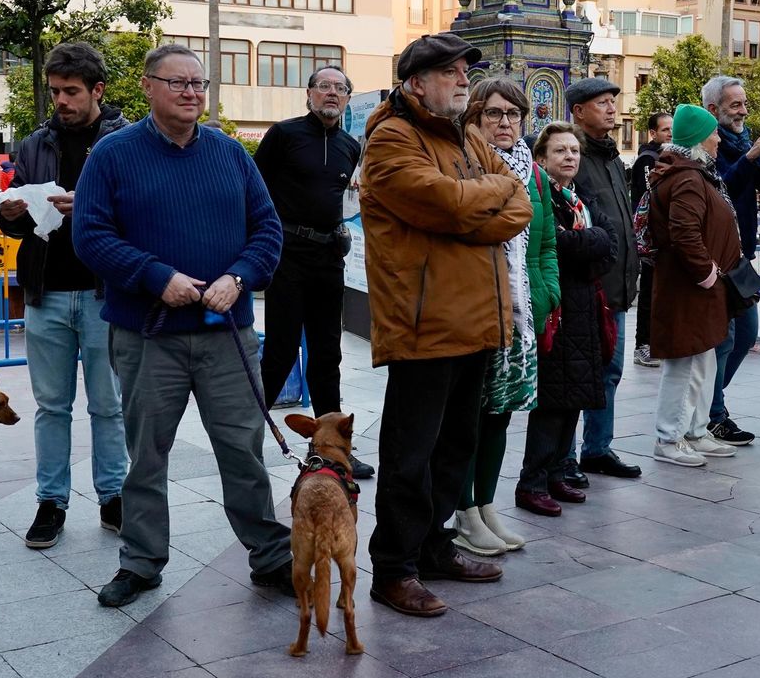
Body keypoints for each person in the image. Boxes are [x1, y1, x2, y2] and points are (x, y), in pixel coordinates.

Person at [72, 44, 292, 608]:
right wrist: (154, 275)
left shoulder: (230, 153)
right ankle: (141, 562)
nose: (193, 92)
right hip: (148, 333)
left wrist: (240, 277)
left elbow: (267, 230)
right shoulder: (112, 154)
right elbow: (90, 236)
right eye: (178, 82)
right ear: (147, 87)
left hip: (227, 332)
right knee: (145, 453)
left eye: (199, 82)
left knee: (243, 449)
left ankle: (271, 555)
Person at [358, 33, 531, 617]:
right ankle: (394, 569)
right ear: (415, 83)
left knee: (456, 446)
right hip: (423, 324)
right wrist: (486, 197)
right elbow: (452, 204)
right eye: (450, 71)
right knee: (412, 453)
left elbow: (518, 207)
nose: (463, 80)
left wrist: (474, 203)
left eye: (465, 70)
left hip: (477, 321)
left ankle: (436, 547)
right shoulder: (390, 140)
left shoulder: (468, 139)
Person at [0, 42, 129, 550]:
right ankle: (51, 502)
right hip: (45, 291)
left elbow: (138, 213)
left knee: (108, 406)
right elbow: (20, 221)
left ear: (97, 90)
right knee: (51, 406)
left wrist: (89, 207)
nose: (62, 101)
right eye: (55, 92)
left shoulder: (125, 140)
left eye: (71, 91)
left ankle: (113, 497)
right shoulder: (33, 145)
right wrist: (12, 215)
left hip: (104, 293)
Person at [253, 65, 372, 480]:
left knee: (328, 354)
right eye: (324, 86)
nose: (332, 94)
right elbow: (254, 191)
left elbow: (339, 198)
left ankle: (333, 448)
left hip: (328, 257)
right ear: (309, 94)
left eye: (340, 88)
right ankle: (247, 440)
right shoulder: (283, 135)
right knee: (281, 352)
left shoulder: (348, 146)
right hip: (287, 255)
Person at [453, 78, 558, 549]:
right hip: (477, 310)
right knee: (468, 416)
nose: (505, 123)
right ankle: (463, 511)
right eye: (494, 113)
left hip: (521, 316)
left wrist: (547, 292)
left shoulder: (533, 173)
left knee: (501, 413)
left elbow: (547, 243)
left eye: (513, 114)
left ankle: (488, 505)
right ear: (475, 116)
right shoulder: (465, 165)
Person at [515, 122, 612, 515]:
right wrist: (589, 243)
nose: (570, 157)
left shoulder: (578, 199)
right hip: (557, 307)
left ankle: (558, 472)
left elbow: (611, 243)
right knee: (552, 401)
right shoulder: (540, 196)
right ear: (541, 158)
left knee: (574, 397)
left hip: (584, 307)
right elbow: (552, 245)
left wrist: (587, 243)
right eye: (560, 151)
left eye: (574, 151)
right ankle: (532, 481)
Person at [647, 105, 743, 467]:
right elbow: (684, 233)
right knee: (683, 364)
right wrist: (706, 273)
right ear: (699, 138)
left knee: (702, 360)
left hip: (702, 288)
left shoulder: (694, 173)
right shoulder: (687, 178)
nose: (719, 138)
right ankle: (669, 438)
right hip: (691, 288)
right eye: (713, 132)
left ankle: (696, 431)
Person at [704, 75, 760, 446]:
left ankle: (705, 403)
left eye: (744, 104)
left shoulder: (745, 141)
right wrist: (750, 157)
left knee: (745, 333)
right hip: (716, 258)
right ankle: (714, 414)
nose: (743, 111)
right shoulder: (705, 144)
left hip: (740, 258)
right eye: (735, 105)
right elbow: (720, 186)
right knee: (723, 339)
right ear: (714, 111)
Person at [564, 77, 642, 481]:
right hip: (587, 286)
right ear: (578, 111)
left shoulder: (612, 157)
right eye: (601, 103)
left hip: (618, 287)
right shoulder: (574, 156)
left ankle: (598, 449)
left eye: (613, 101)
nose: (612, 108)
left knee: (610, 373)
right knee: (578, 374)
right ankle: (566, 457)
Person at [630, 111, 671, 369]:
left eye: (673, 130)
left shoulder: (668, 157)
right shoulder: (648, 159)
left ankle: (658, 341)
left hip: (665, 240)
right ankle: (643, 344)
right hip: (651, 240)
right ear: (653, 133)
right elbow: (650, 198)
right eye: (666, 130)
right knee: (648, 292)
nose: (671, 134)